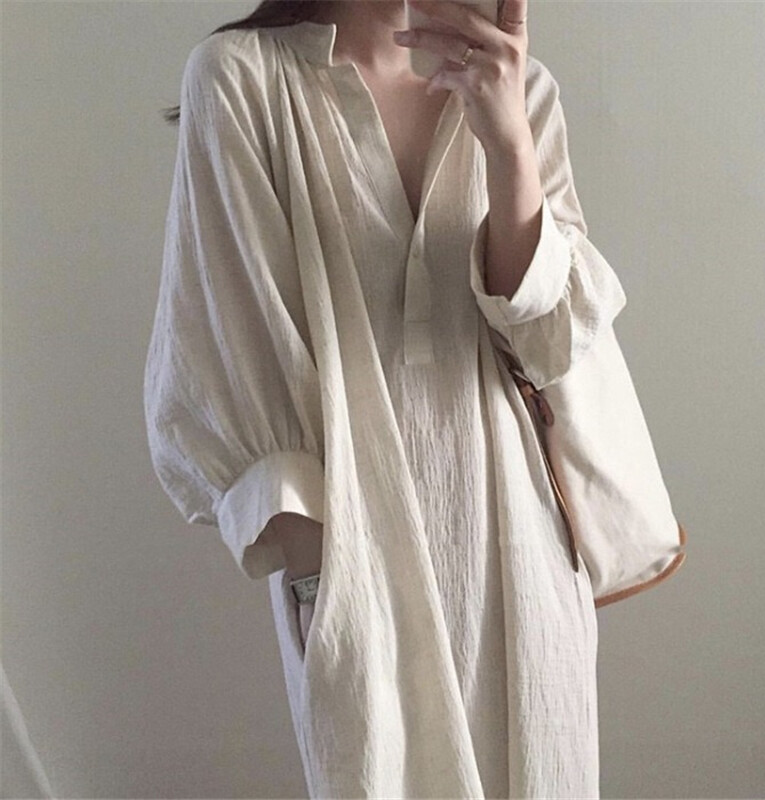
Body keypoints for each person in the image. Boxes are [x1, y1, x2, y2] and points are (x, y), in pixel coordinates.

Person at [144, 0, 628, 796]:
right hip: (353, 553)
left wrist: (509, 140)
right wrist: (323, 592)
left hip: (522, 549)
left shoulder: (522, 87)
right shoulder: (242, 80)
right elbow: (235, 345)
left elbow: (548, 343)